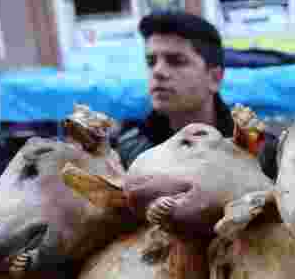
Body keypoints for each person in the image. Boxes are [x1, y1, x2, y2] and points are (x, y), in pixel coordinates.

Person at [116, 11, 278, 178]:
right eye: (151, 62)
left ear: (214, 77)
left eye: (176, 61)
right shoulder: (125, 151)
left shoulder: (261, 149)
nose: (158, 71)